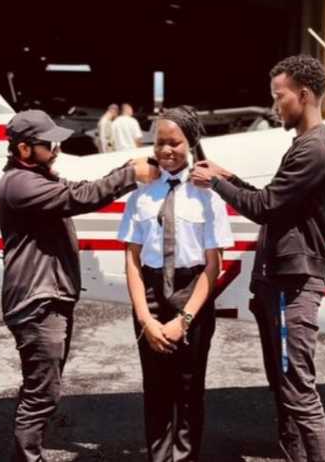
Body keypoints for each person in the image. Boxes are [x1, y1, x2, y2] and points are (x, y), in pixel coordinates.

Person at [191, 55, 325, 462]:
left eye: (280, 96)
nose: (276, 106)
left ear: (304, 95)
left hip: (294, 288)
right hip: (280, 286)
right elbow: (276, 200)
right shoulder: (304, 145)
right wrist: (230, 176)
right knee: (284, 387)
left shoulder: (315, 148)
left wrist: (217, 183)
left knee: (298, 392)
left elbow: (265, 207)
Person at [0, 109, 159, 462]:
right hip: (37, 303)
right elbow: (80, 198)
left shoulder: (34, 177)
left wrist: (123, 170)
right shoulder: (21, 185)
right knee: (41, 393)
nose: (56, 149)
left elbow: (78, 190)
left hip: (47, 298)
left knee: (43, 389)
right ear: (24, 149)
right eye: (48, 144)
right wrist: (130, 175)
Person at [118, 106, 232, 462]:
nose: (166, 150)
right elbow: (132, 261)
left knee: (188, 390)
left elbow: (213, 266)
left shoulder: (208, 195)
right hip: (151, 294)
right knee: (155, 391)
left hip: (191, 293)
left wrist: (183, 319)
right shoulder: (141, 195)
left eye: (175, 142)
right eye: (159, 142)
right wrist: (146, 320)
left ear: (191, 143)